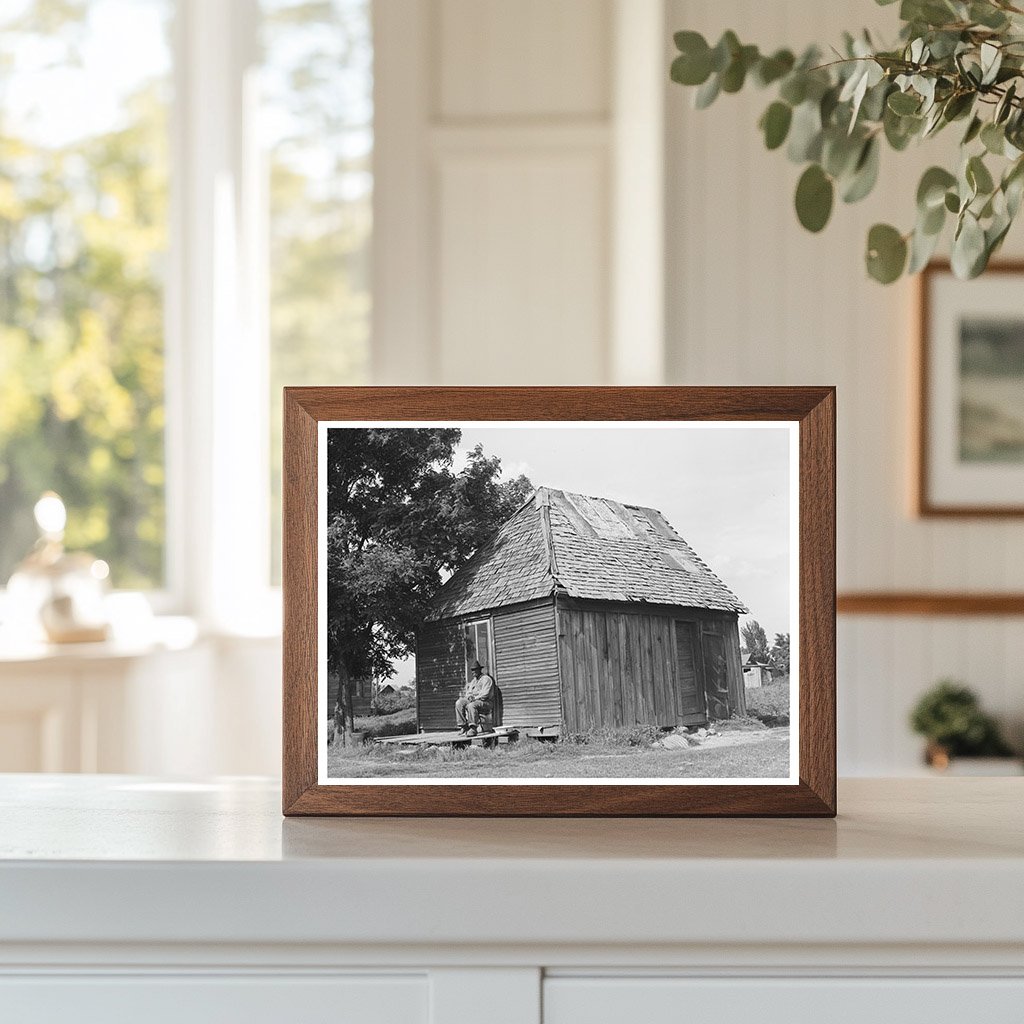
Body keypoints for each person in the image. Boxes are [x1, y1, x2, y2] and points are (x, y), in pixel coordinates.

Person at [455, 660, 495, 736]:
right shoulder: (473, 681)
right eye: (472, 670)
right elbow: (468, 692)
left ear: (479, 670)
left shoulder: (486, 679)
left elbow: (485, 694)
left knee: (471, 705)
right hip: (475, 701)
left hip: (486, 702)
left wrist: (475, 698)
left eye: (475, 670)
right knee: (459, 702)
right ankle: (464, 726)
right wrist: (469, 697)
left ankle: (473, 728)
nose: (473, 672)